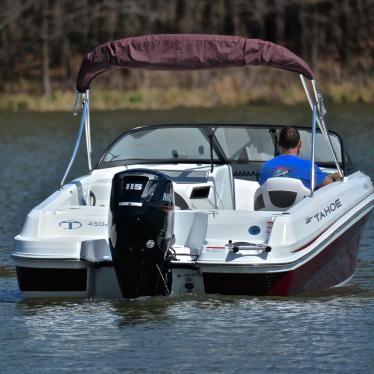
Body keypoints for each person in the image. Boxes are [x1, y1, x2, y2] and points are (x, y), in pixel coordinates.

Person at [259, 127, 341, 190]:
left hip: (272, 210)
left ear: (278, 145)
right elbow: (329, 184)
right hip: (302, 210)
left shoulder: (264, 168)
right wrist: (335, 177)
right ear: (300, 144)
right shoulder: (309, 167)